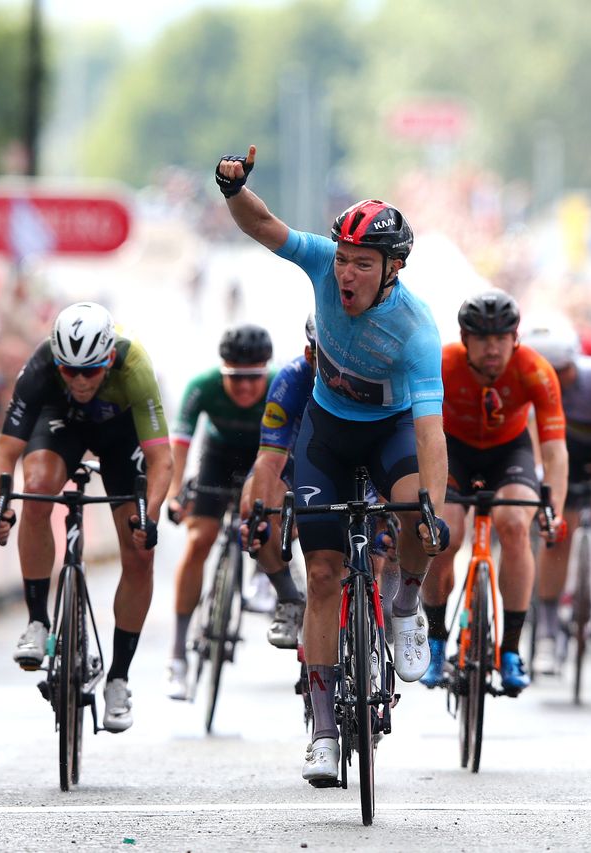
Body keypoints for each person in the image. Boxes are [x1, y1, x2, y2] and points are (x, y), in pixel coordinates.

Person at [216, 145, 449, 786]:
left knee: (416, 514)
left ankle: (405, 603)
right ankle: (321, 730)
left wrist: (431, 502)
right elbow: (264, 226)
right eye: (342, 260)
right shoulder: (320, 264)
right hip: (326, 431)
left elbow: (429, 433)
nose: (346, 274)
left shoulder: (416, 328)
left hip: (392, 432)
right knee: (322, 573)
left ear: (392, 269)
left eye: (362, 265)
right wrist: (233, 189)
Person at [0, 301, 171, 734]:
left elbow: (162, 460)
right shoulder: (40, 366)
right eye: (70, 371)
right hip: (60, 424)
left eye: (90, 370)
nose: (81, 379)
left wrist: (151, 514)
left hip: (121, 433)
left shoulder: (135, 366)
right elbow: (2, 456)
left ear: (108, 358)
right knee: (37, 488)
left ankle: (119, 678)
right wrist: (0, 506)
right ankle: (37, 621)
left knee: (140, 550)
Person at [419, 290, 568, 691]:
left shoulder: (534, 370)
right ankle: (434, 639)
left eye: (501, 338)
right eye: (482, 339)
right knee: (443, 535)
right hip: (454, 452)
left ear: (515, 338)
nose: (492, 348)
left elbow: (555, 448)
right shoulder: (444, 364)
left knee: (515, 525)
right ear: (464, 339)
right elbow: (417, 429)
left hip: (510, 452)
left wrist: (552, 504)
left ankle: (512, 649)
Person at [163, 323, 292, 698]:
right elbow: (180, 446)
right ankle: (177, 655)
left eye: (254, 378)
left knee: (271, 513)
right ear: (222, 369)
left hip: (265, 454)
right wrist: (175, 495)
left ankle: (263, 573)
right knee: (199, 538)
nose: (246, 388)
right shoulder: (202, 386)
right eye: (236, 378)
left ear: (266, 370)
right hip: (217, 457)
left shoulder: (280, 384)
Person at [521, 321, 591, 675]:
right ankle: (545, 629)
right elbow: (535, 449)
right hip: (557, 452)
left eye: (560, 373)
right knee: (558, 533)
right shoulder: (528, 388)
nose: (551, 382)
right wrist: (543, 486)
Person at [238, 315, 320, 650]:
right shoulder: (291, 379)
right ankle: (288, 596)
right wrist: (258, 516)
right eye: (324, 356)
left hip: (353, 463)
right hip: (297, 462)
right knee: (253, 507)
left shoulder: (369, 373)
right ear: (309, 354)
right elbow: (269, 460)